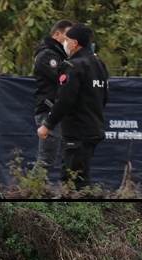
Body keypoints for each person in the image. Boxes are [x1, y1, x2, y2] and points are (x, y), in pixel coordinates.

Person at [37, 23, 109, 190]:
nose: (65, 43)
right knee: (70, 176)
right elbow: (104, 97)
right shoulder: (99, 64)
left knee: (76, 181)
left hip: (77, 131)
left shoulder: (72, 67)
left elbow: (64, 100)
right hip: (94, 128)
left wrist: (47, 125)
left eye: (67, 40)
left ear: (74, 43)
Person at [33, 19, 73, 173]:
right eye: (67, 37)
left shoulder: (60, 56)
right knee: (46, 160)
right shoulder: (46, 55)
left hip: (60, 112)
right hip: (49, 111)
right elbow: (63, 77)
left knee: (70, 158)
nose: (69, 42)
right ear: (57, 34)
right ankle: (30, 192)